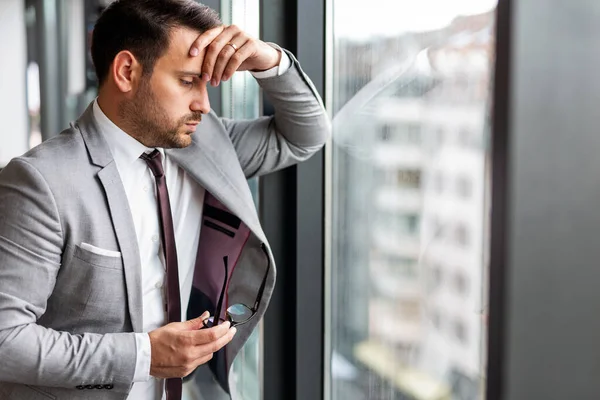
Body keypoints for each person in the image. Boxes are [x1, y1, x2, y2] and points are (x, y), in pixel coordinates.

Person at [0, 0, 330, 399]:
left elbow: (306, 135)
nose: (204, 105)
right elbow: (5, 340)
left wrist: (267, 59)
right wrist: (144, 356)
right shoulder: (41, 181)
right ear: (127, 72)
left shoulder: (206, 143)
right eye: (189, 81)